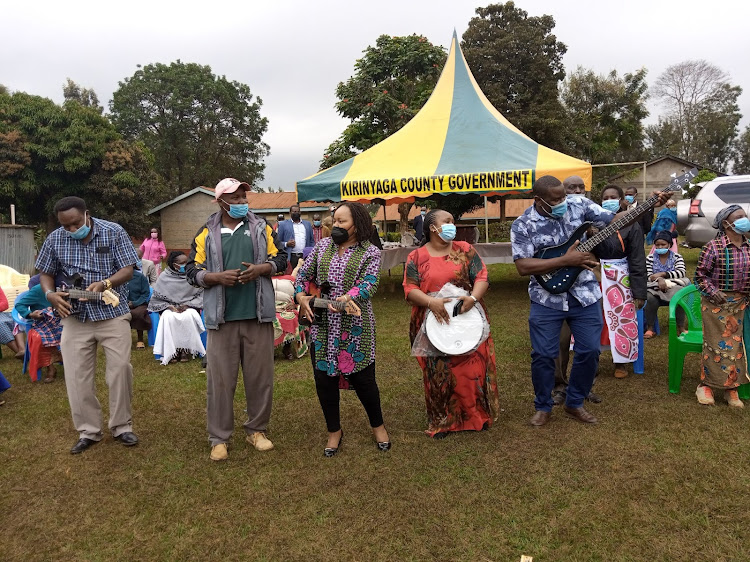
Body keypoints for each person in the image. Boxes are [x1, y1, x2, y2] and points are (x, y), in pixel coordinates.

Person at [511, 175, 669, 426]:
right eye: (555, 199)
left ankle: (575, 401)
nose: (562, 201)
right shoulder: (523, 224)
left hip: (585, 294)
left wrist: (649, 205)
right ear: (538, 200)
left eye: (563, 195)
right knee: (543, 354)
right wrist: (566, 261)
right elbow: (522, 265)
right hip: (546, 299)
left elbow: (617, 221)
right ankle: (543, 405)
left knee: (590, 351)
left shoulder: (579, 205)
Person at [186, 178, 287, 462]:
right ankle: (219, 438)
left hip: (258, 316)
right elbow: (192, 270)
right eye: (236, 197)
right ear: (221, 202)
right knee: (220, 381)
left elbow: (282, 261)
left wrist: (262, 269)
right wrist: (214, 277)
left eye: (244, 197)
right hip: (221, 318)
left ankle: (257, 430)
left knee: (260, 378)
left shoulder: (261, 227)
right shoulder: (206, 232)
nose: (242, 202)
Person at [36, 196, 139, 454]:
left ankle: (122, 427)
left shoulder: (113, 231)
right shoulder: (55, 238)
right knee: (76, 375)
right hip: (75, 317)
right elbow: (45, 273)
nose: (71, 230)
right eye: (65, 225)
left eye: (74, 224)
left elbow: (128, 268)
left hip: (112, 313)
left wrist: (106, 283)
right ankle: (88, 431)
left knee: (119, 370)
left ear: (86, 215)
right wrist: (50, 295)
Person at [295, 202, 390, 456]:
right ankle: (334, 431)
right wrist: (301, 296)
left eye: (342, 222)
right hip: (323, 327)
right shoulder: (323, 247)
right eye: (334, 220)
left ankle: (378, 426)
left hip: (355, 326)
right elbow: (303, 275)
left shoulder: (370, 252)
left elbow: (369, 283)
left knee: (364, 380)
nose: (336, 225)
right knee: (324, 380)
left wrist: (348, 297)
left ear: (357, 225)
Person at [403, 209, 499, 438]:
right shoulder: (416, 257)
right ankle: (443, 421)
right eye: (447, 222)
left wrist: (473, 298)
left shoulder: (465, 250)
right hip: (433, 321)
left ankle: (476, 417)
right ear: (432, 228)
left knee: (472, 367)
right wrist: (430, 302)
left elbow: (482, 278)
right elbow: (409, 289)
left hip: (468, 317)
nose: (452, 225)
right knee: (439, 372)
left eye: (452, 221)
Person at [693, 204, 750, 407]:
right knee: (715, 345)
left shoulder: (749, 246)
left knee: (737, 347)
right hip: (715, 304)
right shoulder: (713, 247)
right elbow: (699, 276)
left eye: (745, 216)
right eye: (739, 217)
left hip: (741, 303)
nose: (745, 219)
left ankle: (731, 388)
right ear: (726, 223)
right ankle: (705, 385)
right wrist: (713, 292)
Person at [597, 185, 647, 379]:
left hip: (621, 277)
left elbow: (637, 259)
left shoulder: (631, 224)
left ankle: (621, 361)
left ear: (620, 201)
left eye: (613, 197)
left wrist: (639, 291)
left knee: (621, 319)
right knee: (596, 319)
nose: (609, 200)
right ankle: (592, 360)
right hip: (596, 274)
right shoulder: (593, 222)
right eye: (605, 197)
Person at [148, 251, 205, 364]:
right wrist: (169, 306)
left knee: (188, 316)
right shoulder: (164, 276)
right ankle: (172, 351)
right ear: (173, 264)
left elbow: (201, 295)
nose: (186, 264)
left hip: (190, 306)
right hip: (169, 307)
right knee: (168, 318)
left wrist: (188, 305)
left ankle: (184, 349)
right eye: (182, 263)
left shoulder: (192, 276)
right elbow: (156, 299)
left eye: (186, 262)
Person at [14, 275, 63, 382]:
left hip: (61, 320)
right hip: (41, 322)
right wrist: (31, 314)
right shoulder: (38, 289)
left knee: (73, 333)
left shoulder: (66, 289)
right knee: (38, 338)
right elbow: (20, 305)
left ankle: (67, 360)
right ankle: (50, 368)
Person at [644, 230, 690, 338]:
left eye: (663, 244)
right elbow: (648, 275)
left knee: (679, 297)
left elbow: (681, 272)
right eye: (657, 245)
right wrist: (659, 280)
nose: (660, 247)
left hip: (674, 286)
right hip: (655, 288)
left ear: (669, 244)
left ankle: (681, 327)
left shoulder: (677, 257)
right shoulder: (650, 258)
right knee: (650, 298)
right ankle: (650, 328)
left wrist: (663, 274)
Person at [277, 204, 314, 270]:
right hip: (291, 257)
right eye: (294, 212)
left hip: (305, 257)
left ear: (300, 212)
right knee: (291, 277)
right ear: (290, 213)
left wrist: (311, 254)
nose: (296, 213)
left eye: (297, 211)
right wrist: (286, 244)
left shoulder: (307, 224)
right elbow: (278, 242)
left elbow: (311, 241)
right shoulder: (283, 224)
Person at [126, 265, 152, 350]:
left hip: (140, 303)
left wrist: (135, 303)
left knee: (137, 313)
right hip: (122, 304)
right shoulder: (118, 278)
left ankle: (140, 339)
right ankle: (122, 339)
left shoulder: (140, 277)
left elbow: (145, 293)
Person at [0, 286, 26, 359]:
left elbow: (5, 304)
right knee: (1, 324)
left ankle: (22, 349)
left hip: (1, 314)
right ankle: (20, 353)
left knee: (15, 319)